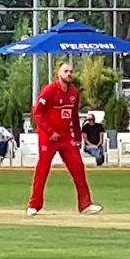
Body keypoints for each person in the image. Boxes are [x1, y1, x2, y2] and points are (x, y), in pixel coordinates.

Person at [27, 62, 102, 216]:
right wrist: (49, 132)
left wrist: (77, 137)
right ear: (58, 73)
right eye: (66, 71)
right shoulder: (49, 90)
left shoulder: (74, 92)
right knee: (43, 169)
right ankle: (34, 205)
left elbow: (74, 116)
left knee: (78, 168)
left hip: (65, 136)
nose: (69, 74)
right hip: (48, 137)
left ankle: (85, 204)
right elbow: (37, 112)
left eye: (71, 71)